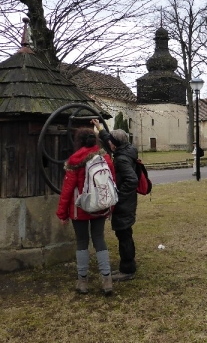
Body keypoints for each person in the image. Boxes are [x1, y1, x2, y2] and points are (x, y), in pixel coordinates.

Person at [56, 128, 115, 296]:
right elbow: (111, 183)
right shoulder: (105, 158)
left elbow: (67, 189)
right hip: (100, 206)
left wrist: (62, 213)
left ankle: (82, 281)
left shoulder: (75, 160)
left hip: (79, 207)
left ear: (79, 141)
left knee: (82, 242)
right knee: (99, 239)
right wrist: (111, 207)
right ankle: (107, 279)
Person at [91, 119, 139, 282]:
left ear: (115, 144)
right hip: (128, 202)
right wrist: (99, 128)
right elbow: (109, 139)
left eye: (110, 142)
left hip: (124, 204)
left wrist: (117, 195)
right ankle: (128, 264)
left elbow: (132, 180)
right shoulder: (126, 149)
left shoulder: (122, 159)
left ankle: (127, 269)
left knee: (124, 234)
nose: (108, 143)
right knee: (125, 233)